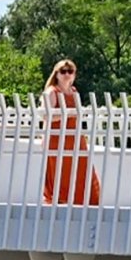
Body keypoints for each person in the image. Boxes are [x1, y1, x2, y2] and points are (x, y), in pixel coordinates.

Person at [41, 59, 102, 206]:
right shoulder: (51, 92)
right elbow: (45, 116)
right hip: (57, 139)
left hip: (75, 138)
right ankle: (62, 201)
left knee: (82, 171)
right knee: (61, 173)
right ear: (56, 74)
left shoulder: (74, 91)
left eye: (70, 71)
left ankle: (84, 202)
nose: (67, 74)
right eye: (63, 71)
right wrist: (67, 113)